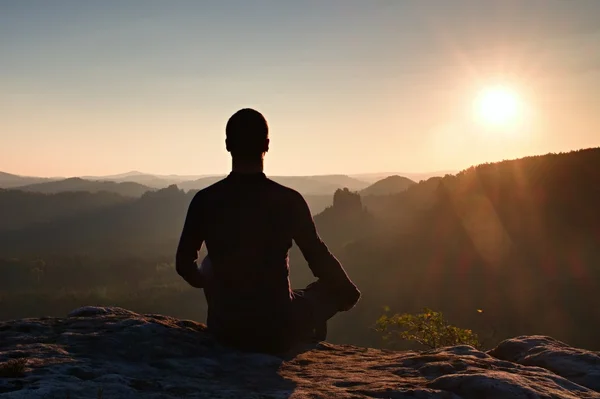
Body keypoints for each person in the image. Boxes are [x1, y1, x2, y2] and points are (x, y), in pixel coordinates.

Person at [175, 108, 360, 354]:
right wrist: (347, 292)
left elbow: (184, 263)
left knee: (210, 262)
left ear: (228, 145)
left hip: (226, 328)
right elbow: (318, 256)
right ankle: (305, 328)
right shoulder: (289, 200)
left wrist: (212, 283)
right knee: (322, 294)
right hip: (278, 328)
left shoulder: (205, 199)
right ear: (267, 145)